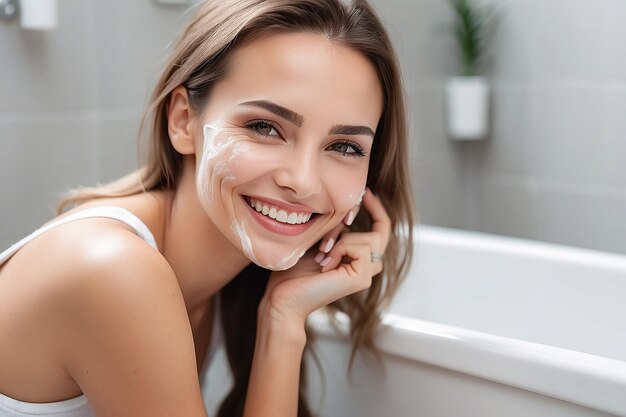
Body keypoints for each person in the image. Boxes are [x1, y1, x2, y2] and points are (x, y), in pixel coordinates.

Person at [0, 0, 415, 416]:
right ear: (184, 121)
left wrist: (283, 314)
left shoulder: (227, 277)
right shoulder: (115, 270)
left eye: (344, 147)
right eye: (265, 127)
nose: (303, 181)